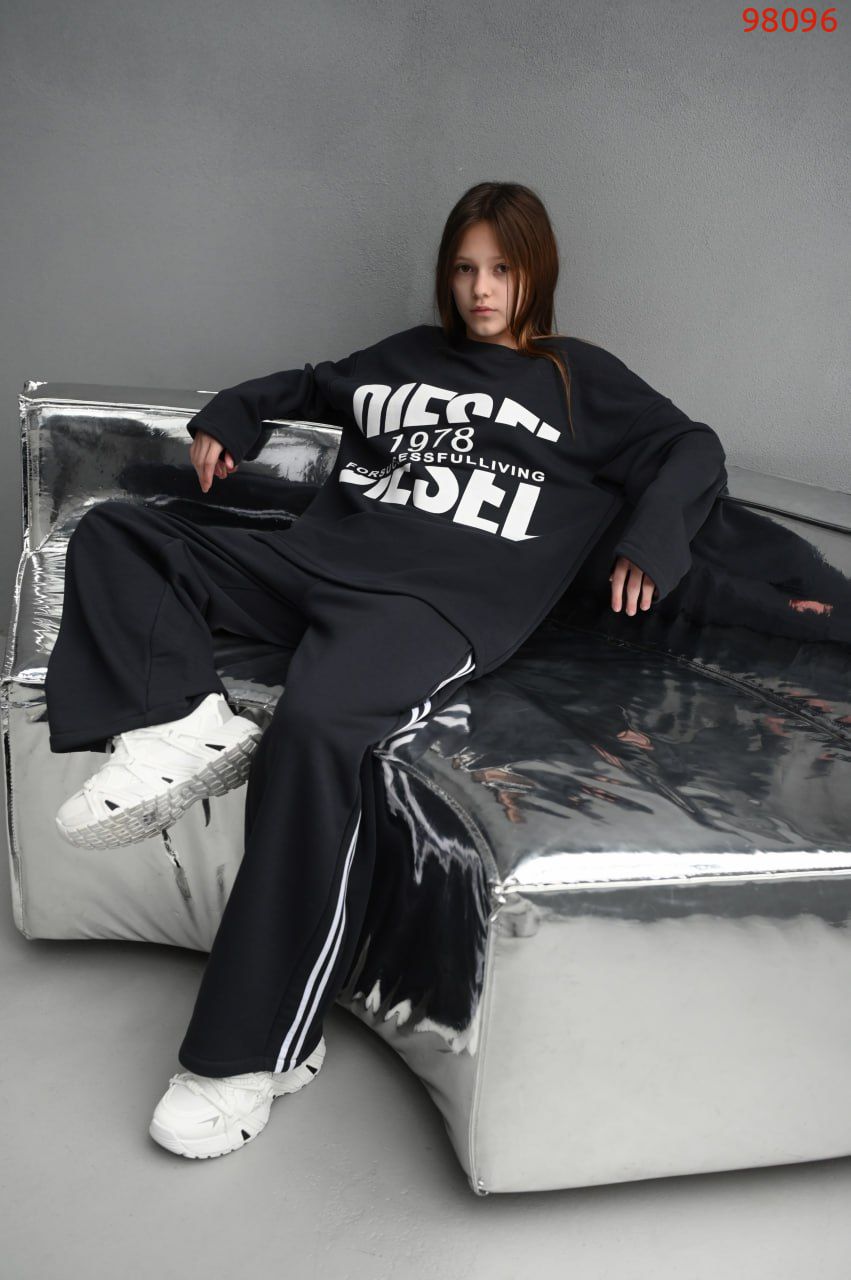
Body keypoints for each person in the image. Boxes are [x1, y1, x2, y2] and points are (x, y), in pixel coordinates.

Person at [44, 181, 727, 1160]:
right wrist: (236, 411)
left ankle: (251, 1053)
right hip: (318, 562)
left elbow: (689, 446)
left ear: (535, 271)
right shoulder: (404, 357)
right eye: (465, 268)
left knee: (315, 733)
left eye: (501, 269)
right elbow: (312, 384)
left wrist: (652, 541)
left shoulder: (578, 379)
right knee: (121, 535)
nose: (481, 289)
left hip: (433, 605)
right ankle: (180, 724)